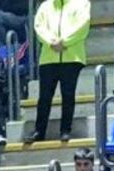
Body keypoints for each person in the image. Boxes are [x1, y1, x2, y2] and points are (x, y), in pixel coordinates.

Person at [27, 0, 90, 143]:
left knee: (68, 95)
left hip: (72, 57)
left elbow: (82, 26)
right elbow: (39, 27)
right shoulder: (45, 6)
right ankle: (39, 131)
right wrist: (51, 42)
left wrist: (63, 41)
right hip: (48, 58)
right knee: (44, 97)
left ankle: (65, 130)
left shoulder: (81, 3)